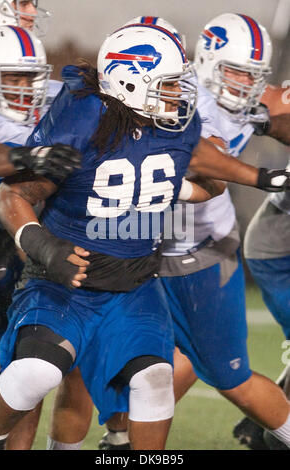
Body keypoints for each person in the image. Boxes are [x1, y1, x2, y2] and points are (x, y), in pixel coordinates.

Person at [0, 22, 284, 451]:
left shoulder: (175, 122)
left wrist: (254, 178)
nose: (176, 95)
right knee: (37, 372)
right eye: (165, 85)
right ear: (130, 81)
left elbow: (201, 157)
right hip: (66, 278)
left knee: (155, 379)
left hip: (133, 284)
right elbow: (14, 193)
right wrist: (41, 244)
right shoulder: (83, 115)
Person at [94, 15, 290, 451]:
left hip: (201, 252)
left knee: (225, 372)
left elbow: (276, 107)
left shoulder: (245, 100)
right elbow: (204, 154)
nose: (245, 84)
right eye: (236, 71)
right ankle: (122, 437)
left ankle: (123, 438)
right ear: (205, 62)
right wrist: (259, 173)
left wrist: (264, 120)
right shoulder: (183, 96)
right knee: (150, 358)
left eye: (253, 76)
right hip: (148, 249)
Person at [0, 24, 80, 451]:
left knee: (29, 366)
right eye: (13, 77)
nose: (26, 87)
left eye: (31, 76)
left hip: (31, 248)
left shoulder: (56, 101)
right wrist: (28, 156)